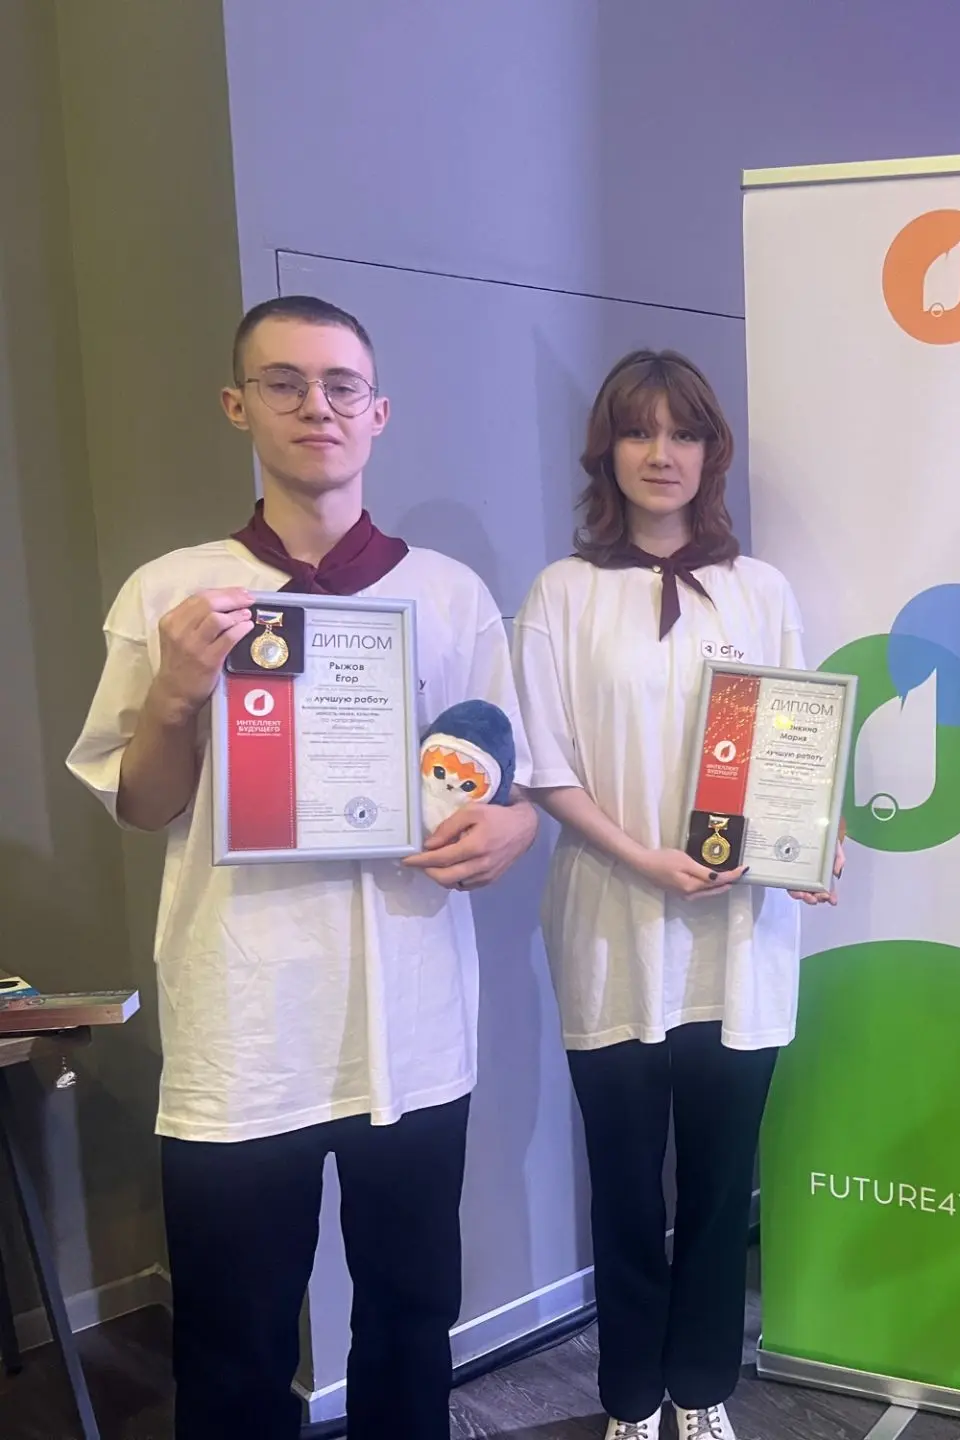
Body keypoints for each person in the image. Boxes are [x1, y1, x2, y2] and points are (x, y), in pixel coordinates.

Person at [67, 296, 540, 1439]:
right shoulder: (174, 592)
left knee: (411, 1320)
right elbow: (143, 806)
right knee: (234, 1344)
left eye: (340, 385)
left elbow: (505, 780)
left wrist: (515, 829)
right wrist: (175, 694)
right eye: (283, 383)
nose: (314, 406)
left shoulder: (449, 594)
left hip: (410, 1025)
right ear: (238, 406)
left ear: (378, 412)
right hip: (244, 1030)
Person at [512, 349, 841, 1440]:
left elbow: (797, 746)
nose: (663, 453)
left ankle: (700, 1391)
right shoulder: (561, 593)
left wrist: (812, 840)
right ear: (607, 451)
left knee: (718, 1184)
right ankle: (629, 1398)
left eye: (685, 432)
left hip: (738, 939)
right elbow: (547, 766)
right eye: (640, 431)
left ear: (712, 453)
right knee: (622, 1186)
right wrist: (645, 858)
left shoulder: (761, 590)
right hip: (613, 929)